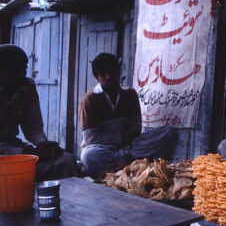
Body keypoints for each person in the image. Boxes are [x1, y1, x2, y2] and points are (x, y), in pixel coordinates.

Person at [79, 53, 177, 178]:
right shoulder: (90, 99)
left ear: (119, 72)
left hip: (129, 146)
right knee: (89, 155)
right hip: (105, 149)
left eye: (112, 72)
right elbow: (91, 139)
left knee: (168, 132)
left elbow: (136, 128)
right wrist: (121, 137)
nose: (109, 76)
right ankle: (130, 162)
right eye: (103, 74)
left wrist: (126, 141)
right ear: (97, 78)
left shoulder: (130, 94)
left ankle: (123, 162)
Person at [0, 44, 80, 182]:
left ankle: (64, 202)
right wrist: (24, 153)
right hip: (7, 153)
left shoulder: (27, 87)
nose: (20, 75)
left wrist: (43, 144)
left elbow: (33, 127)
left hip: (14, 148)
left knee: (66, 161)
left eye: (23, 70)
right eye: (14, 71)